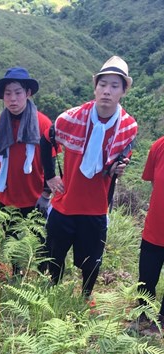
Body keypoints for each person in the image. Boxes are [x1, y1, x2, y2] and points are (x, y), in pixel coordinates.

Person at [40, 56, 137, 298]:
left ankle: (85, 299)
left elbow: (120, 160)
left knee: (92, 261)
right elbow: (46, 138)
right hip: (65, 202)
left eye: (114, 86)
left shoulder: (128, 127)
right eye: (103, 84)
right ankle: (52, 294)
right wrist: (50, 177)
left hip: (96, 207)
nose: (107, 91)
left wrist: (116, 169)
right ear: (95, 87)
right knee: (54, 254)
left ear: (123, 91)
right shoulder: (71, 118)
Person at [0, 67, 53, 268]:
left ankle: (42, 279)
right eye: (8, 94)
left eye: (18, 92)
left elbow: (52, 160)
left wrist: (46, 194)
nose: (13, 99)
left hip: (36, 198)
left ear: (28, 93)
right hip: (8, 197)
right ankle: (16, 277)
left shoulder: (43, 123)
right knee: (12, 245)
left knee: (40, 246)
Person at [131, 136, 164, 334]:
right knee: (146, 277)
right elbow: (154, 182)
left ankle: (161, 323)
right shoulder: (159, 146)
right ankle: (143, 314)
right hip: (155, 228)